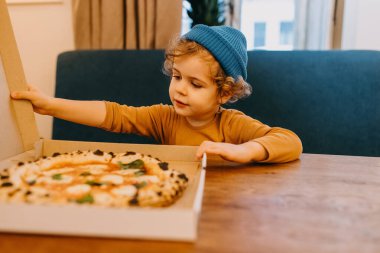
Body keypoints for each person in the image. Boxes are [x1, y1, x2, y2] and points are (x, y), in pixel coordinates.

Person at [11, 24, 302, 164]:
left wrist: (244, 150)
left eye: (196, 84)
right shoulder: (165, 118)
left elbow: (290, 141)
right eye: (176, 76)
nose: (180, 89)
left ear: (224, 94)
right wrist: (50, 105)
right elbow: (113, 115)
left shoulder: (231, 124)